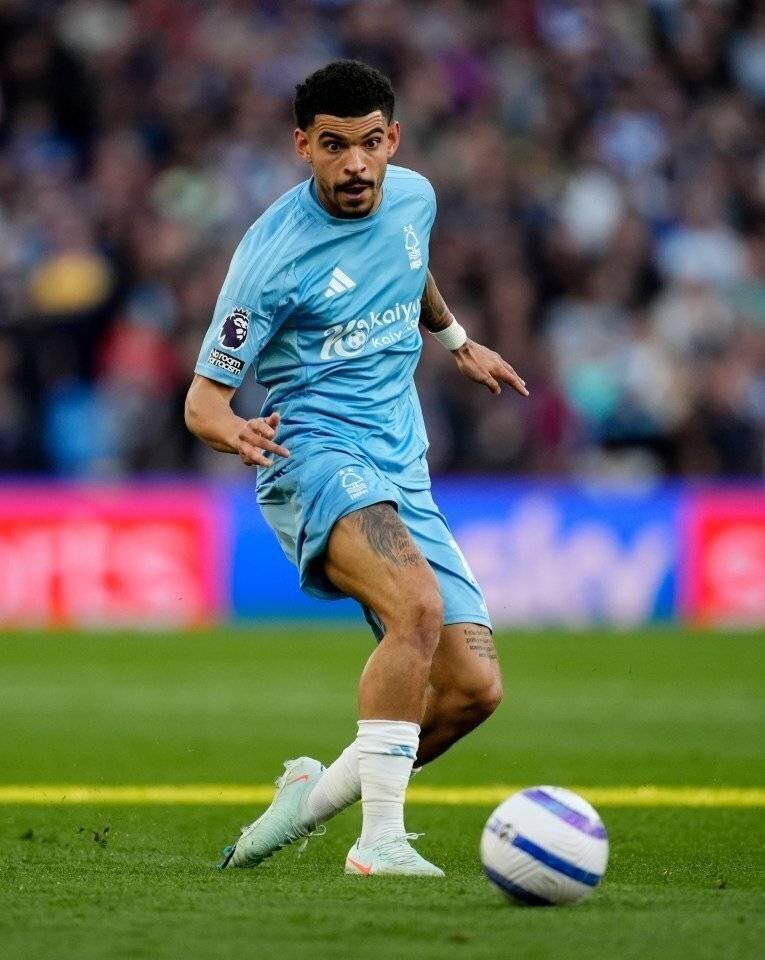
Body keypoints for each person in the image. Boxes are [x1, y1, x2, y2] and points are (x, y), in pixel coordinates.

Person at [185, 59, 528, 877]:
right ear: (302, 146)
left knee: (472, 691)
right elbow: (201, 401)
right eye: (334, 147)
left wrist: (456, 343)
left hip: (400, 463)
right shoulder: (269, 257)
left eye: (370, 144)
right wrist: (233, 433)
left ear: (393, 140)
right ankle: (377, 844)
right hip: (313, 453)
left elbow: (411, 270)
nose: (355, 166)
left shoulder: (414, 196)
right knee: (415, 605)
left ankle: (308, 801)